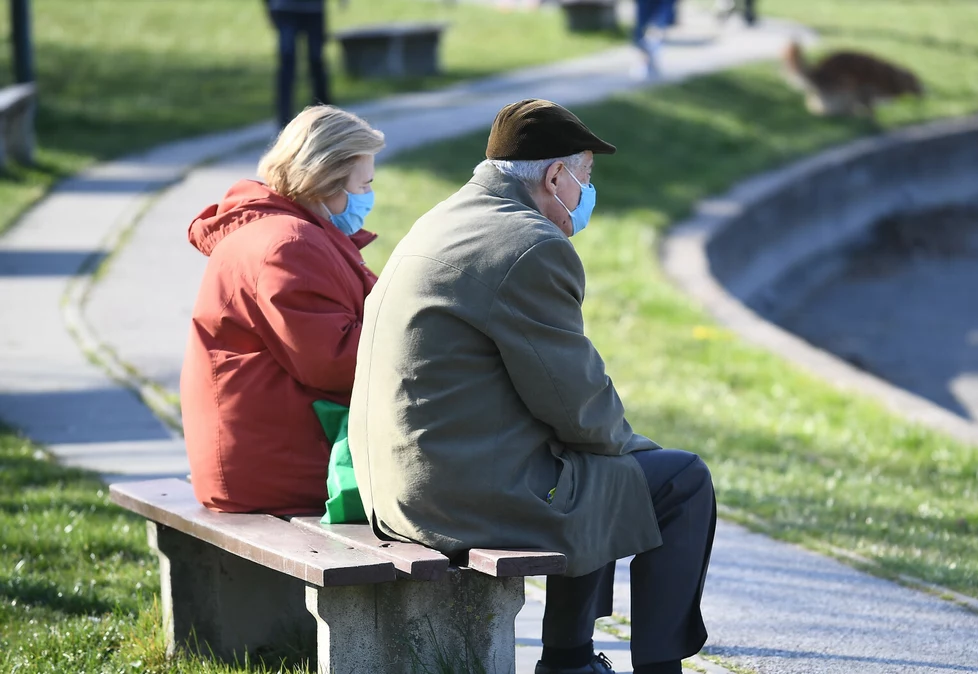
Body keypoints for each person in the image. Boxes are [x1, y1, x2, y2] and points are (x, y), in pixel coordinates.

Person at [349, 99, 717, 674]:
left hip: (394, 484)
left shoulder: (444, 217)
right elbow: (577, 405)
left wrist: (614, 445)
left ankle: (570, 659)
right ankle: (640, 666)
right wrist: (629, 443)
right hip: (452, 496)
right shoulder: (530, 245)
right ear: (554, 177)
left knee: (593, 469)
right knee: (680, 480)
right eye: (586, 178)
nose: (586, 194)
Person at [182, 105, 385, 514]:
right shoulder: (289, 244)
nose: (368, 197)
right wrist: (424, 338)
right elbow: (334, 363)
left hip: (258, 456)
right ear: (325, 181)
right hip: (279, 466)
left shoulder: (281, 232)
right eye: (363, 185)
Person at [264, 0, 345, 129]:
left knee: (316, 60)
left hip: (313, 8)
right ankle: (284, 119)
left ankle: (325, 117)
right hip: (285, 7)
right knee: (287, 60)